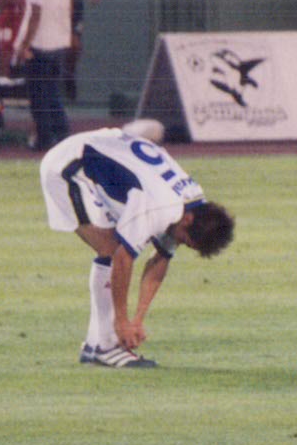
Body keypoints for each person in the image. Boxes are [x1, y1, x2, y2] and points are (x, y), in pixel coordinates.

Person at [39, 119, 234, 368]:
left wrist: (138, 319)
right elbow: (123, 259)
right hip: (67, 165)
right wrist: (122, 322)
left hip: (98, 153)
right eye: (184, 240)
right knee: (110, 250)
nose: (179, 243)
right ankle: (106, 347)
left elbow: (161, 258)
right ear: (187, 220)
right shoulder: (159, 208)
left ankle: (95, 345)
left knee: (112, 248)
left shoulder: (192, 203)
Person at [15, 0, 74, 152]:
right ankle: (62, 134)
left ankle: (45, 138)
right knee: (53, 92)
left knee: (39, 95)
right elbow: (69, 5)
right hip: (59, 41)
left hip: (41, 43)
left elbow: (35, 15)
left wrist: (24, 44)